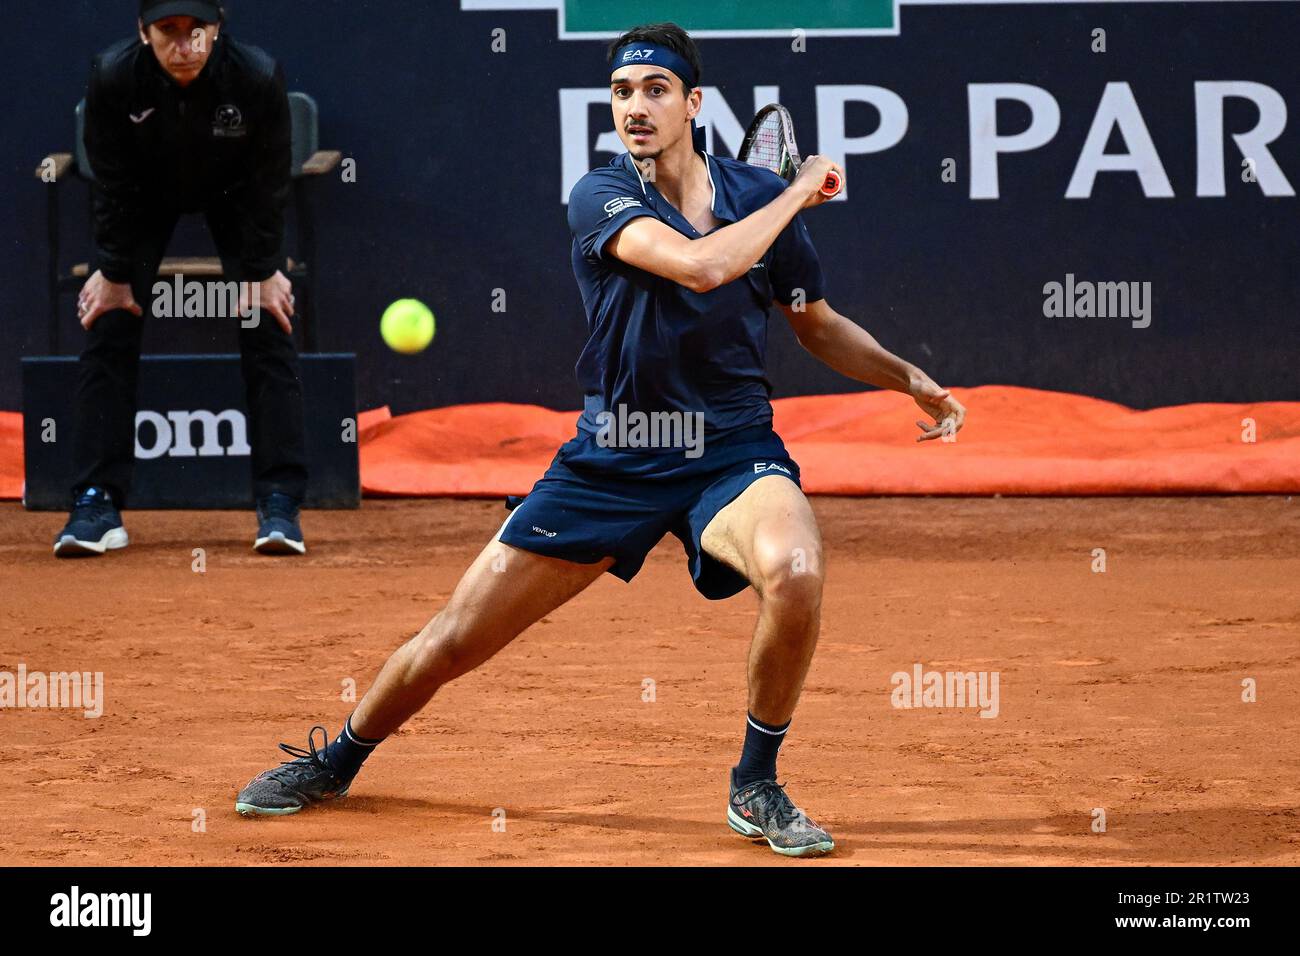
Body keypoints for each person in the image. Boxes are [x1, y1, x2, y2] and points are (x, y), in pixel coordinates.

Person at [235, 22, 966, 858]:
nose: (636, 108)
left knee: (795, 573)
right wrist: (796, 191)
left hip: (729, 451)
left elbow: (815, 323)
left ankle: (755, 782)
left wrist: (908, 376)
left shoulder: (757, 203)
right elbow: (701, 268)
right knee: (452, 640)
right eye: (621, 93)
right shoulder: (599, 194)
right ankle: (337, 760)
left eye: (656, 89)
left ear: (693, 104)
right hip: (610, 460)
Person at [55, 0, 308, 558]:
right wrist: (116, 272)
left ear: (218, 28)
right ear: (143, 34)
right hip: (144, 195)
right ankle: (96, 503)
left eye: (197, 31)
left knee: (265, 318)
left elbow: (269, 183)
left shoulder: (257, 75)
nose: (184, 45)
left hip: (236, 195)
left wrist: (262, 272)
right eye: (168, 31)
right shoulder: (113, 76)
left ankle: (279, 501)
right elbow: (112, 182)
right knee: (110, 316)